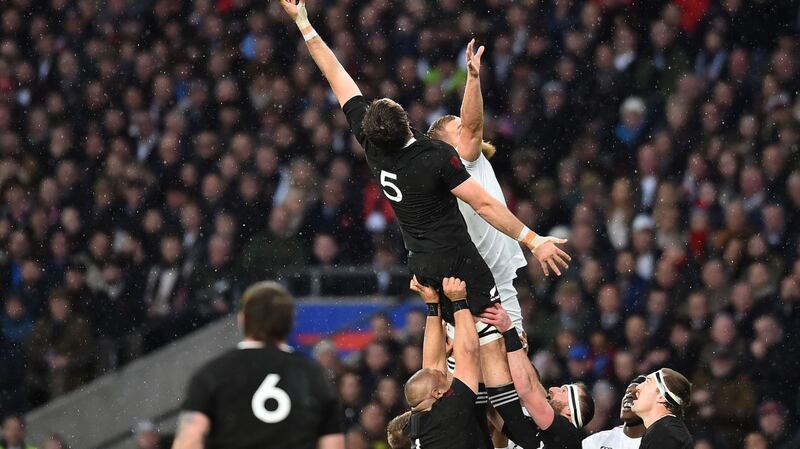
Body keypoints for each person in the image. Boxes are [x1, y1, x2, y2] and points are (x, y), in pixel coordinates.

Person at [277, 0, 565, 435]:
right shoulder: (438, 158)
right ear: (411, 125)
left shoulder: (375, 150)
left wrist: (304, 26)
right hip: (462, 266)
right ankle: (540, 439)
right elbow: (483, 196)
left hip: (424, 266)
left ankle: (437, 437)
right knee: (494, 369)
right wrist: (533, 238)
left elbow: (338, 78)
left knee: (453, 378)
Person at [427, 40, 527, 339]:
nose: (471, 127)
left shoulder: (463, 166)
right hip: (483, 289)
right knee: (511, 367)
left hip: (470, 287)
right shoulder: (462, 164)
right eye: (457, 130)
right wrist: (472, 79)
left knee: (475, 377)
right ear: (447, 148)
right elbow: (472, 128)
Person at [170, 281, 343, 449]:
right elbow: (333, 445)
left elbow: (189, 441)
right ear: (290, 323)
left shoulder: (213, 373)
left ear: (242, 320)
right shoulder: (313, 375)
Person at [480, 303, 594, 449]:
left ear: (569, 412)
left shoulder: (567, 435)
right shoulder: (536, 430)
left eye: (563, 391)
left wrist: (509, 332)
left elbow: (529, 390)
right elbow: (494, 408)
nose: (553, 389)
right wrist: (516, 358)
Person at [402, 276, 482, 449]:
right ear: (437, 393)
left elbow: (431, 368)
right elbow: (469, 355)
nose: (446, 372)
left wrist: (433, 305)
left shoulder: (420, 417)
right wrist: (459, 301)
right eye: (443, 377)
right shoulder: (449, 412)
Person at [631, 368, 693, 449]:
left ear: (662, 397)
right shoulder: (663, 430)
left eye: (647, 382)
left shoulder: (665, 433)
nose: (638, 387)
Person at [582, 376, 646, 449]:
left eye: (638, 393)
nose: (629, 396)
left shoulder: (657, 443)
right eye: (628, 392)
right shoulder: (595, 442)